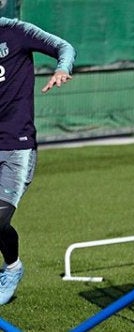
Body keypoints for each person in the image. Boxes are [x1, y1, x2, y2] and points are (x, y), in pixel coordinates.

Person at [0, 17, 76, 304]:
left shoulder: (17, 32)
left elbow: (63, 46)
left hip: (17, 146)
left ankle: (12, 268)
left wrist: (62, 69)